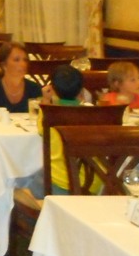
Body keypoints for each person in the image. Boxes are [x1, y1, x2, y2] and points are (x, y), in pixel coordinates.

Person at [35, 65, 99, 196]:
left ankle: (42, 207)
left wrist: (46, 99)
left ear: (52, 88)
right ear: (81, 90)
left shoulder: (49, 114)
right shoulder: (94, 114)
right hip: (93, 183)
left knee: (16, 186)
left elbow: (41, 130)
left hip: (60, 183)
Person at [0, 41, 43, 113]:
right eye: (16, 60)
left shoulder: (34, 89)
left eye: (25, 60)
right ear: (4, 65)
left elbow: (41, 116)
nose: (23, 64)